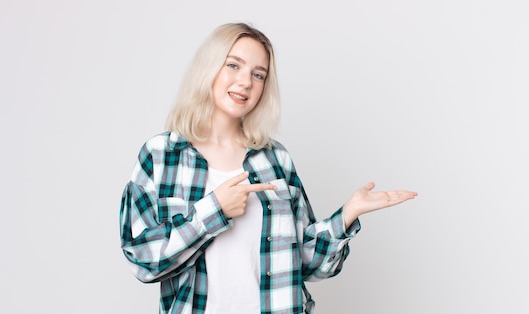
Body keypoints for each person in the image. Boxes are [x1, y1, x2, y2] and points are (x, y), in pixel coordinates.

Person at [119, 22, 418, 314]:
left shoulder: (274, 159)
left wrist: (348, 214)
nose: (246, 82)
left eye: (258, 74)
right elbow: (143, 260)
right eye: (233, 65)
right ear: (208, 68)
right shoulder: (161, 155)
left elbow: (306, 263)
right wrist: (215, 211)